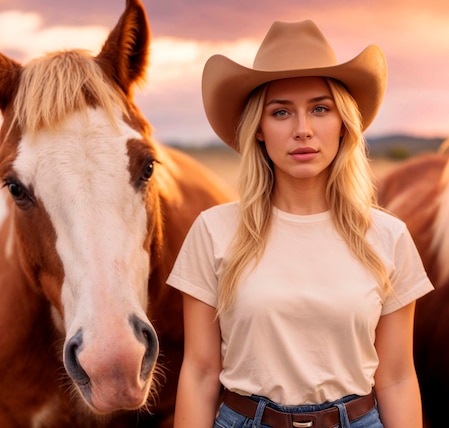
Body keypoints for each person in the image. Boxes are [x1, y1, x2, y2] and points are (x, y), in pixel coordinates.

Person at [167, 19, 433, 428]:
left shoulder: (388, 236)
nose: (303, 130)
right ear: (258, 128)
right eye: (281, 112)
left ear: (344, 123)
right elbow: (200, 373)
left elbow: (397, 379)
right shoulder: (213, 230)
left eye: (320, 109)